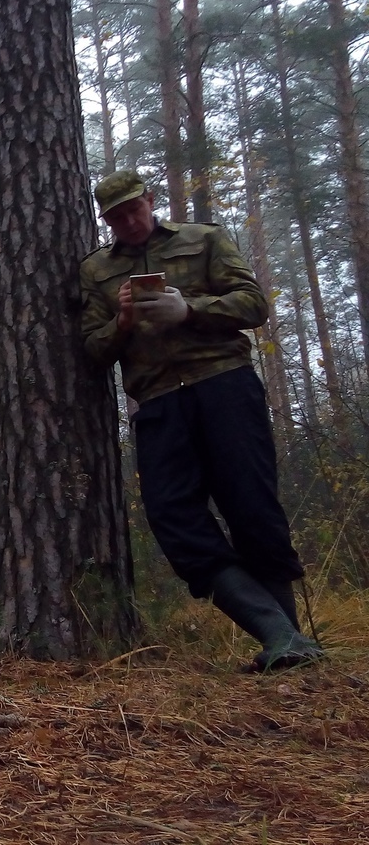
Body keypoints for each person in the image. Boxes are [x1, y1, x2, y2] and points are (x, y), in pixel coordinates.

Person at [79, 169, 322, 671]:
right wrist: (123, 322)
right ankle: (277, 632)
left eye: (134, 209)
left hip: (224, 386)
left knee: (252, 508)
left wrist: (188, 310)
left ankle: (290, 643)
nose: (128, 221)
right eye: (116, 216)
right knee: (172, 517)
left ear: (150, 200)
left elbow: (253, 305)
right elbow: (93, 350)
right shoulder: (97, 270)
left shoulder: (204, 239)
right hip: (160, 402)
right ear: (106, 220)